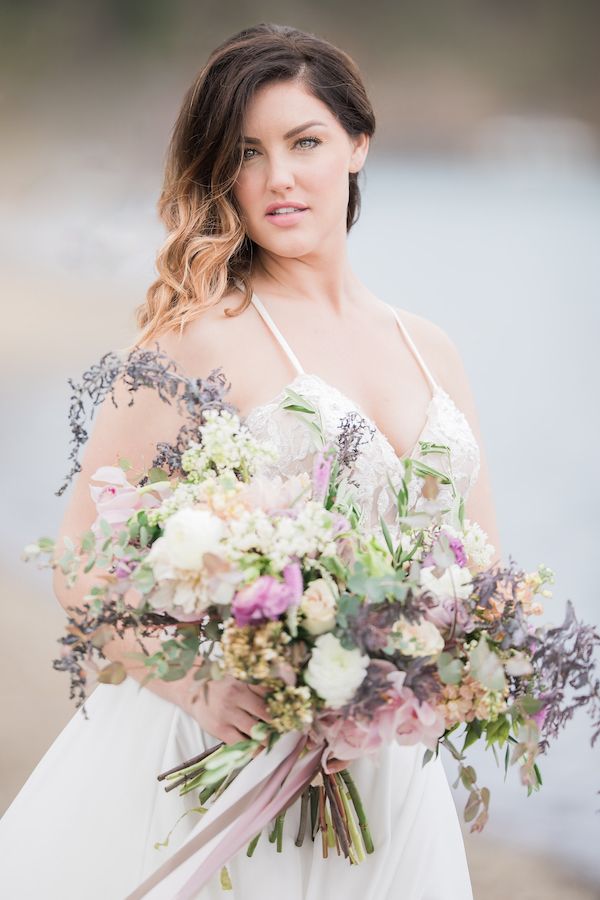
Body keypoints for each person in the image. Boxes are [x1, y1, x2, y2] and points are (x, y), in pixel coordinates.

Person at [0, 22, 502, 899]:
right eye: (246, 153)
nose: (279, 178)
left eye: (304, 142)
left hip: (391, 773)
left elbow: (482, 569)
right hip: (234, 755)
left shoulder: (433, 350)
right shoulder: (194, 342)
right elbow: (80, 564)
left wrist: (457, 675)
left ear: (357, 142)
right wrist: (192, 685)